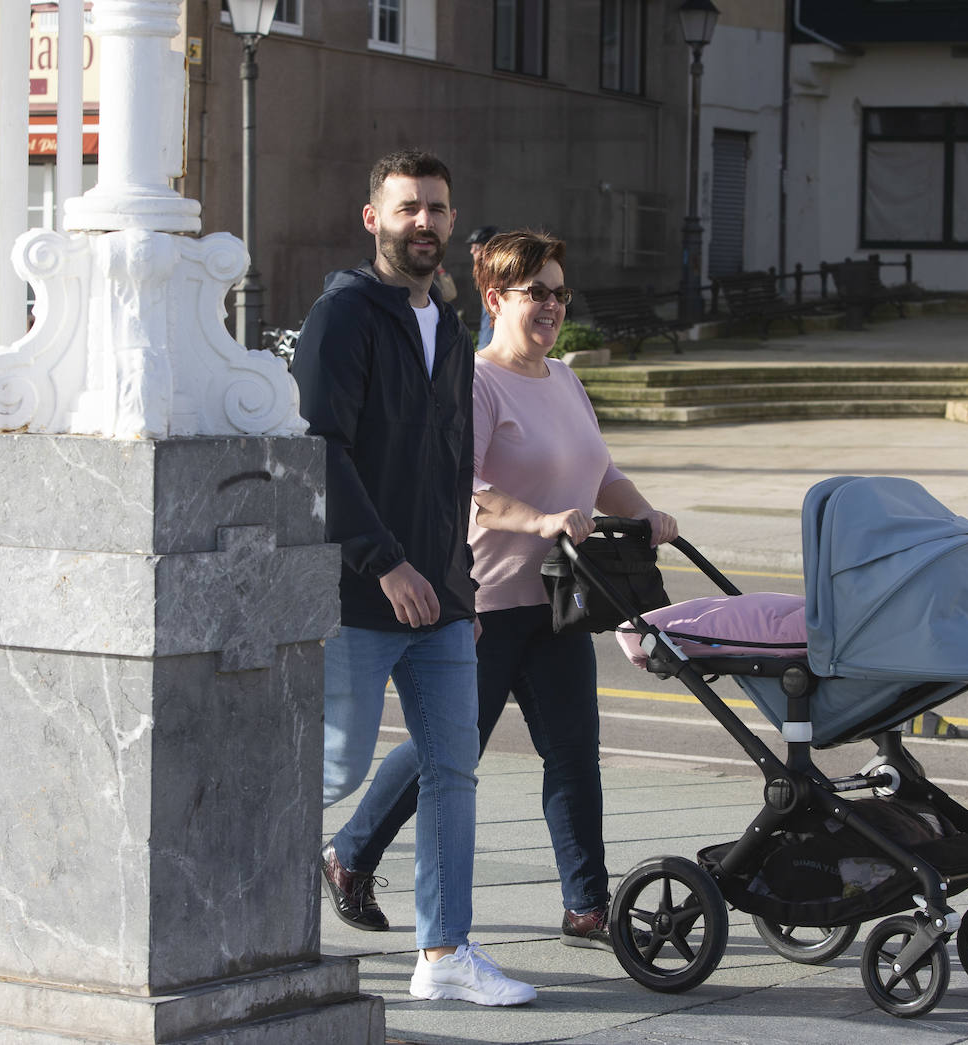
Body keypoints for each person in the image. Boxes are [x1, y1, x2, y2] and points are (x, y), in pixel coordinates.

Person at [319, 228, 678, 951]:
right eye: (534, 292)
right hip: (485, 602)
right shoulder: (476, 381)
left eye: (558, 292)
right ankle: (349, 853)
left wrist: (643, 510)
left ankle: (587, 905)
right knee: (447, 753)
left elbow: (601, 473)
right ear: (495, 298)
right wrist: (542, 517)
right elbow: (470, 491)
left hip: (559, 601)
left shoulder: (566, 379)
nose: (550, 305)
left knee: (575, 752)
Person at [289, 151, 535, 1007]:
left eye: (436, 207)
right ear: (373, 219)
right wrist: (384, 560)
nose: (423, 222)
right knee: (331, 773)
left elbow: (448, 468)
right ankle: (226, 895)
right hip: (361, 594)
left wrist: (457, 584)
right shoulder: (345, 316)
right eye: (406, 209)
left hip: (440, 600)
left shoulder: (452, 328)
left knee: (452, 769)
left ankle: (444, 954)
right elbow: (319, 449)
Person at [465, 225, 498, 349]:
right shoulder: (484, 273)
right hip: (486, 338)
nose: (472, 251)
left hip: (493, 341)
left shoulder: (495, 273)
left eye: (476, 247)